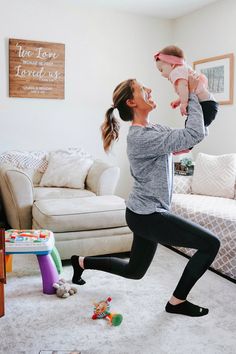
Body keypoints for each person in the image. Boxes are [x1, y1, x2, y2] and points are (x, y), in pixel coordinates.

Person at [71, 75, 220, 317]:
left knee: (134, 271)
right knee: (210, 244)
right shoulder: (140, 138)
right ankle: (177, 302)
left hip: (143, 213)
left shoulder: (155, 130)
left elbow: (193, 137)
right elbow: (193, 135)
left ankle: (80, 262)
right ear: (131, 102)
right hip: (148, 215)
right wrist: (189, 94)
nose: (149, 90)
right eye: (142, 89)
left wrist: (202, 97)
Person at [154, 45, 218, 154]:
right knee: (199, 127)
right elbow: (187, 91)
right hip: (209, 104)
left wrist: (183, 103)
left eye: (162, 69)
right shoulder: (183, 70)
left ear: (171, 64)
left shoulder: (176, 72)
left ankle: (186, 147)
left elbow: (184, 88)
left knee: (191, 127)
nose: (162, 74)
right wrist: (179, 100)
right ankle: (190, 145)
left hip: (205, 105)